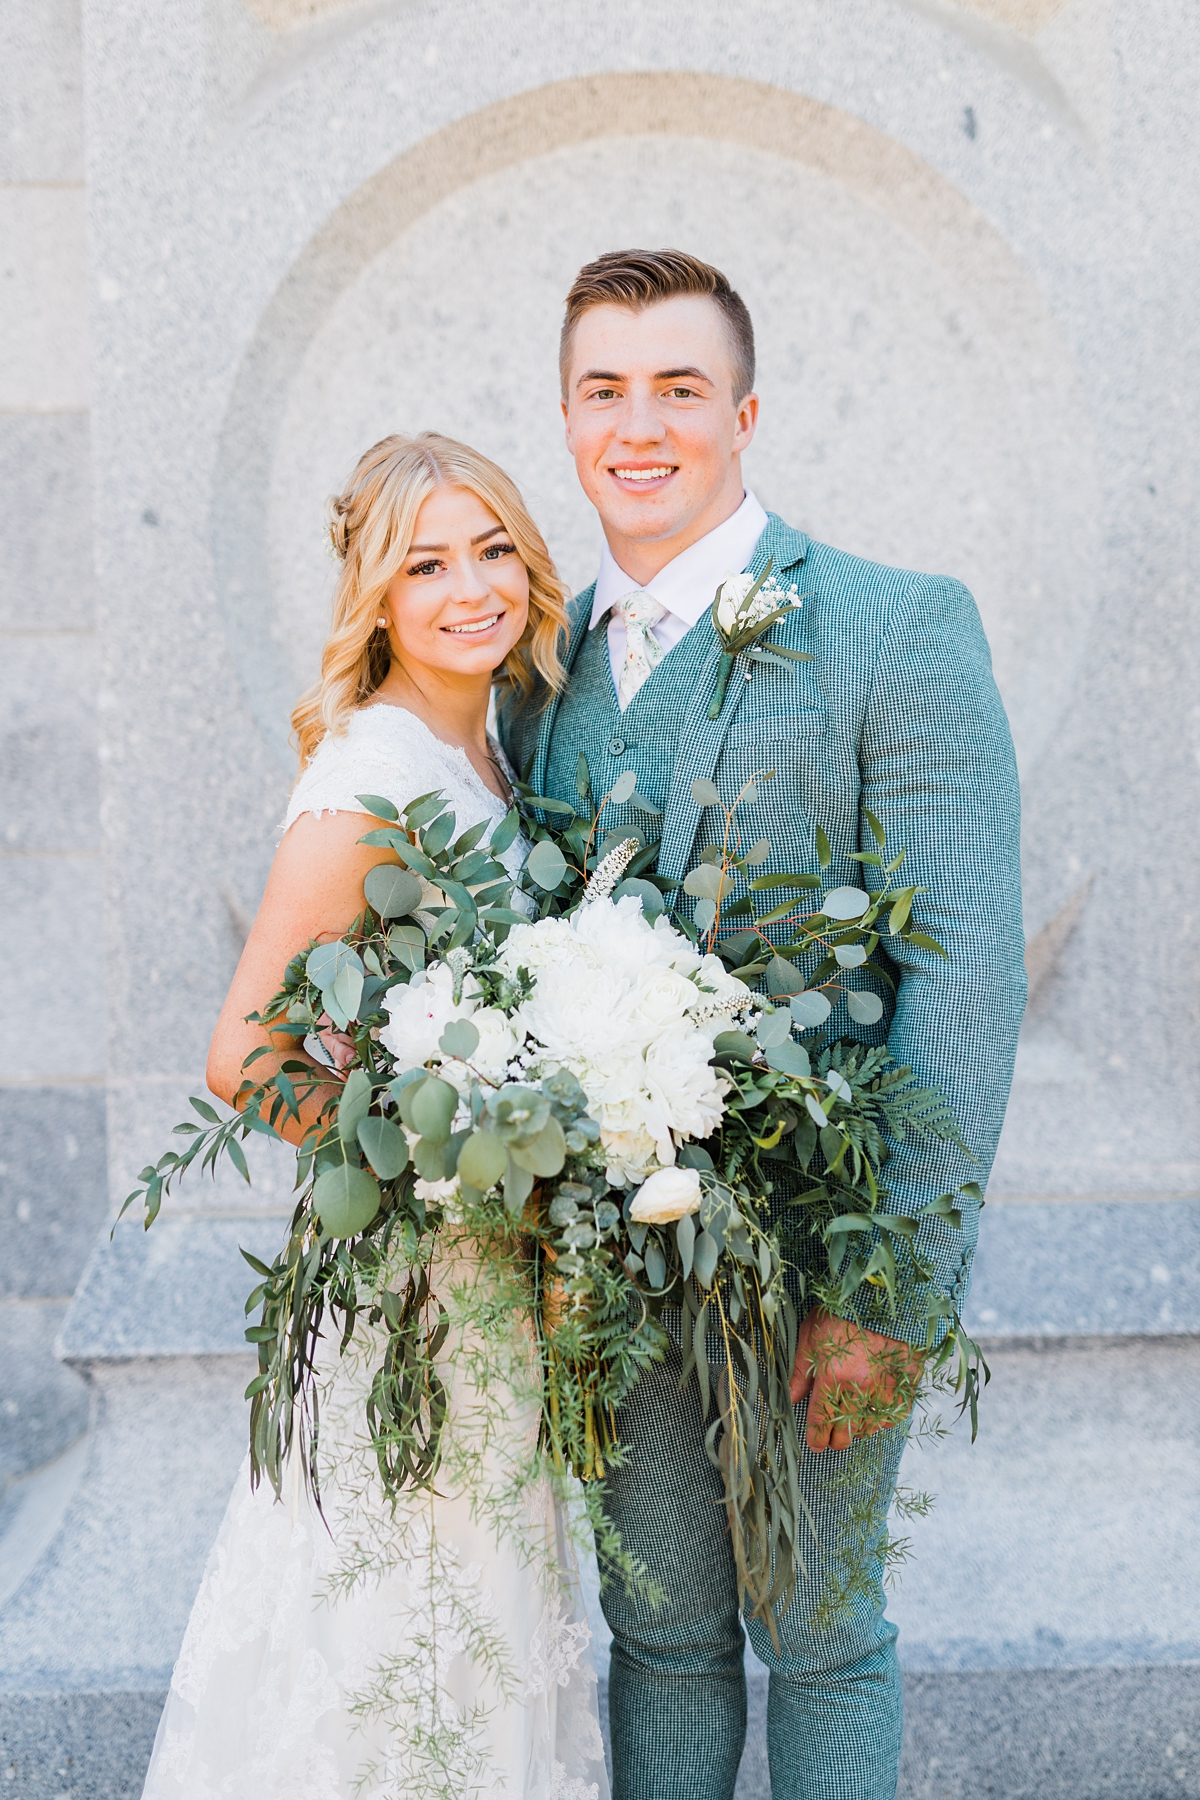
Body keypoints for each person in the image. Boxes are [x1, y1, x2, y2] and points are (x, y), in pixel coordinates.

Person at [499, 249, 1026, 1800]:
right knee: (654, 1629)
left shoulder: (892, 624)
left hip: (825, 1254)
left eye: (677, 386)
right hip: (606, 1265)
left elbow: (969, 982)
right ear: (571, 417)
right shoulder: (536, 672)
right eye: (605, 389)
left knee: (817, 1625)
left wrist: (892, 1289)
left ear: (744, 411)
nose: (639, 423)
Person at [140, 434, 610, 1800]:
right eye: (427, 563)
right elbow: (244, 1055)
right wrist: (448, 1177)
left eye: (493, 551)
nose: (471, 588)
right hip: (413, 1300)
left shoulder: (502, 760)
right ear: (377, 597)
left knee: (477, 1648)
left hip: (502, 1311)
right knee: (385, 1646)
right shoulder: (371, 769)